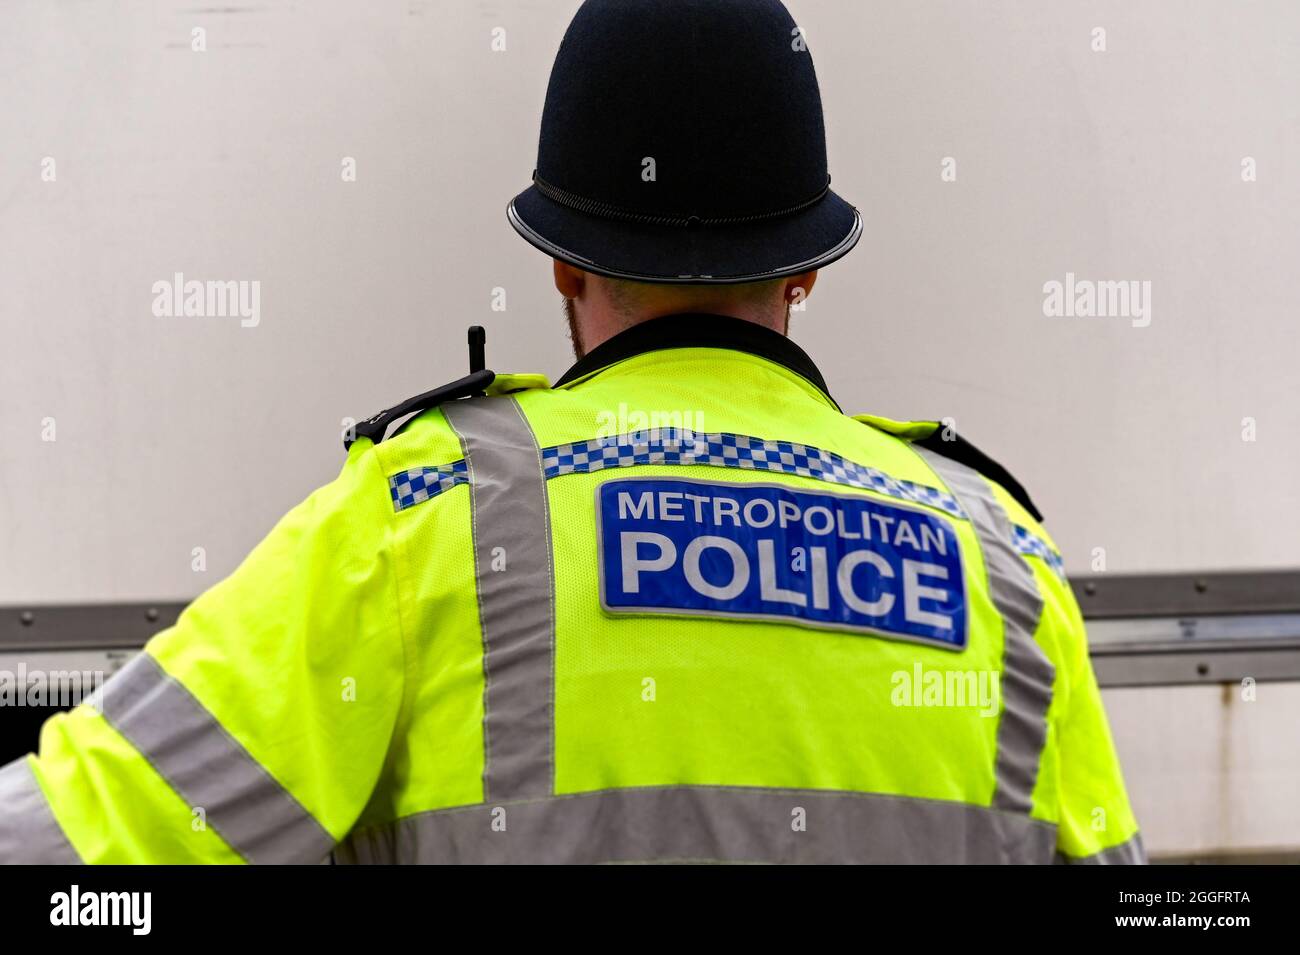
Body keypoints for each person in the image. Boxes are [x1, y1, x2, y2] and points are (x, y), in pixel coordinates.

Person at [0, 0, 1142, 864]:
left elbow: (75, 843)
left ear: (560, 257)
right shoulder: (999, 565)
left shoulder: (423, 516)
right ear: (804, 267)